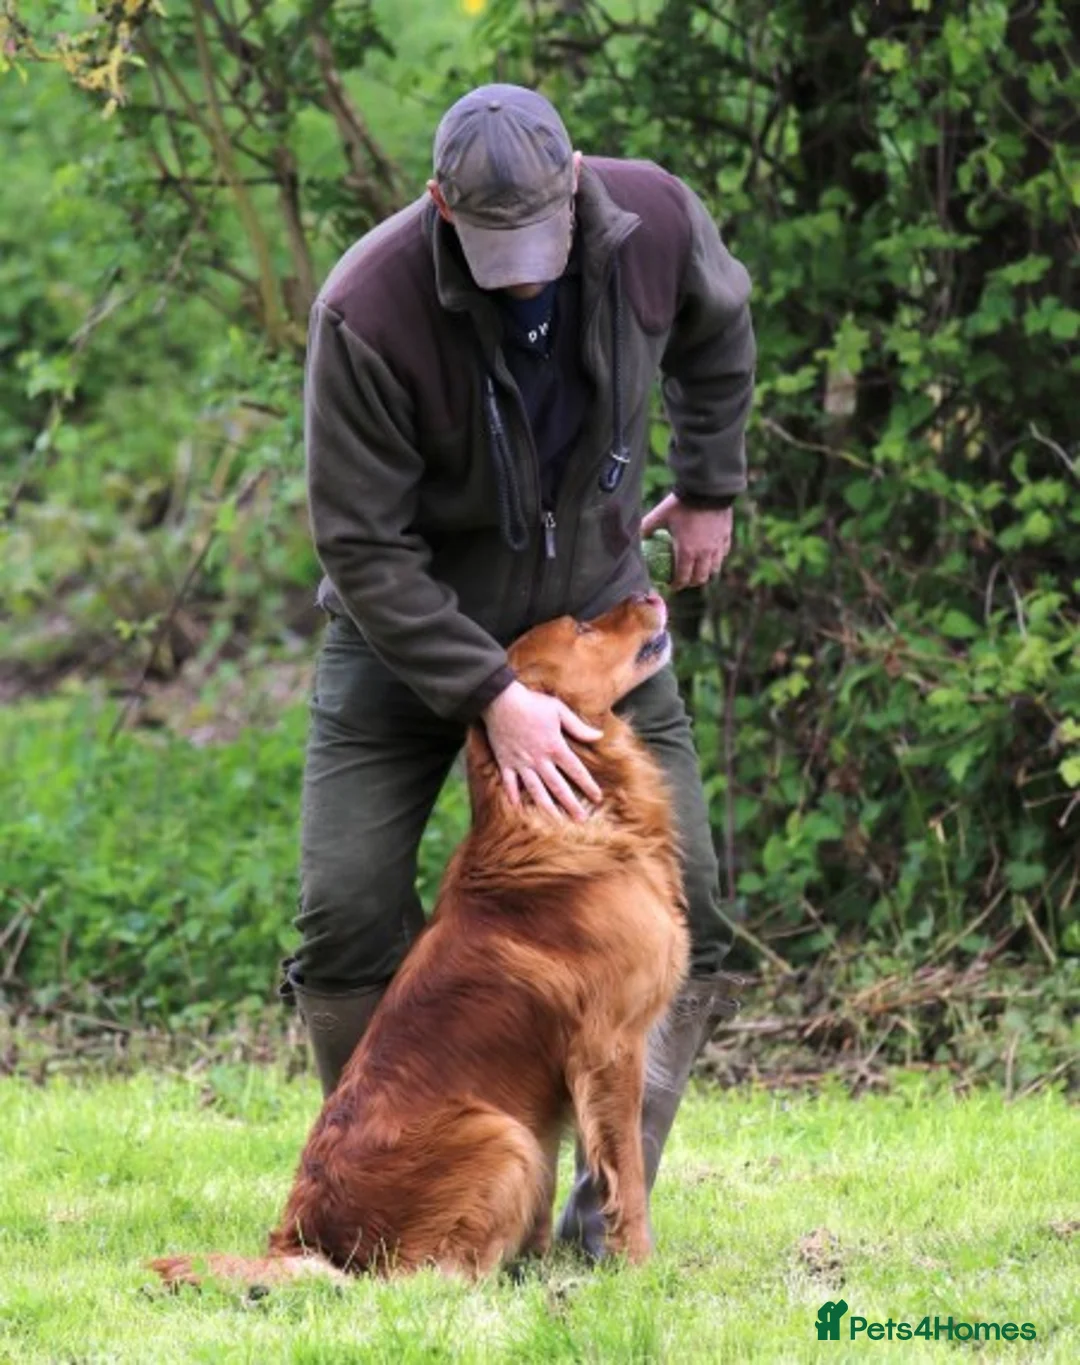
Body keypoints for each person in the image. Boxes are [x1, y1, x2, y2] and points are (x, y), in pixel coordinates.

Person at [281, 83, 756, 1259]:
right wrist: (494, 698)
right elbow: (360, 545)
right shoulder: (368, 307)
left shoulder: (652, 221)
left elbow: (719, 329)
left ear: (576, 180)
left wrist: (709, 482)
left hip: (584, 625)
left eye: (541, 245)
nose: (525, 278)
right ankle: (393, 1206)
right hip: (408, 638)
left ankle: (602, 1229)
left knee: (693, 898)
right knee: (343, 914)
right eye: (498, 255)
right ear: (440, 205)